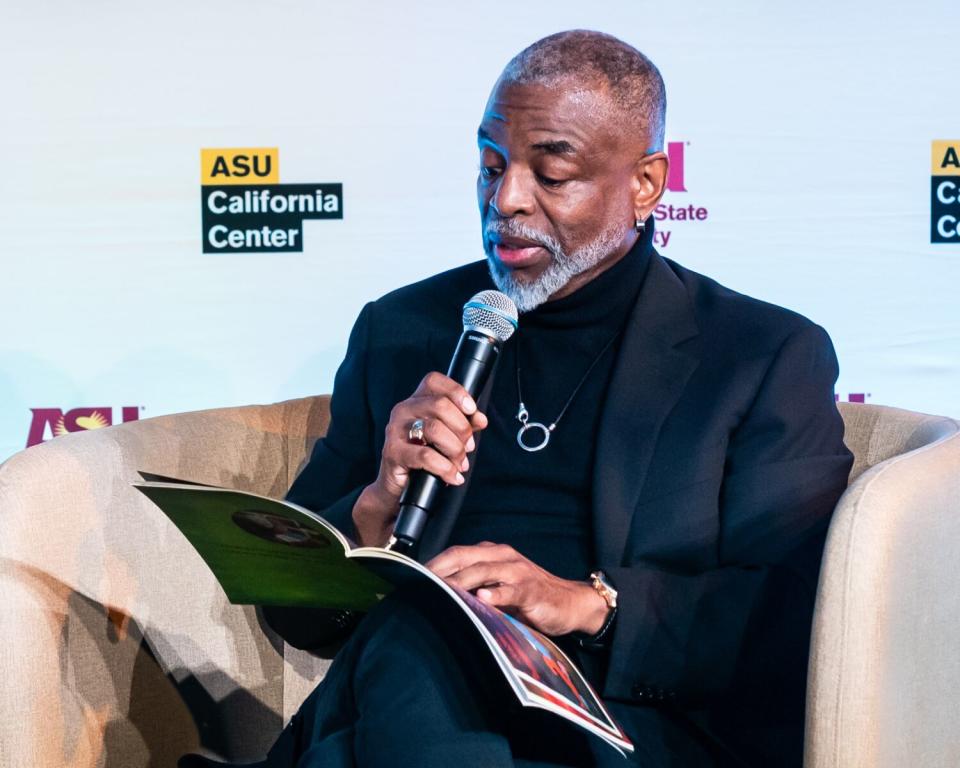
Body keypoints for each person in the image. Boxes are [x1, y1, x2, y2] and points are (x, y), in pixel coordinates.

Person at [183, 29, 853, 768]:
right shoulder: (405, 329)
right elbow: (298, 611)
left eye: (552, 174)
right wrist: (377, 501)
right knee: (422, 629)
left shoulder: (759, 352)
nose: (506, 200)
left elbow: (793, 614)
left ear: (646, 184)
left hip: (629, 718)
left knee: (402, 659)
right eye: (492, 166)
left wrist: (587, 604)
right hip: (416, 687)